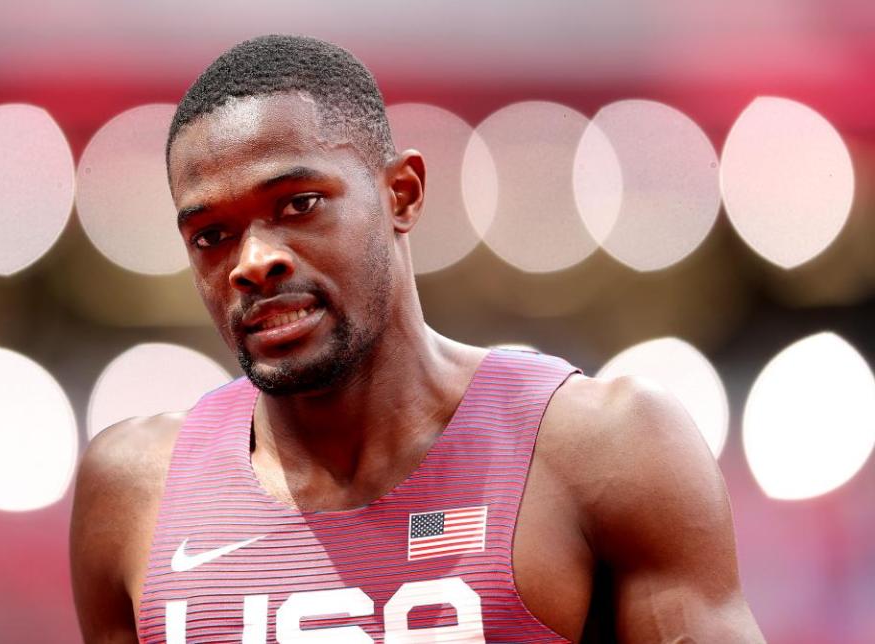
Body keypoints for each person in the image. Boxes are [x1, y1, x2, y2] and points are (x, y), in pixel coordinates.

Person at [69, 34, 765, 643]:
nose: (253, 262)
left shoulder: (605, 449)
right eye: (211, 235)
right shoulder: (135, 491)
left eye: (299, 204)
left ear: (401, 195)